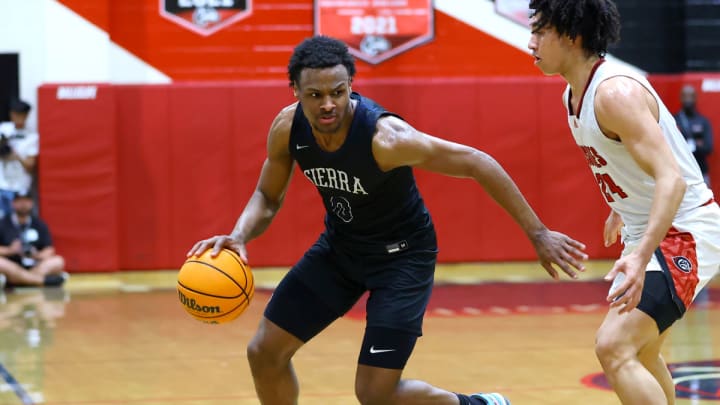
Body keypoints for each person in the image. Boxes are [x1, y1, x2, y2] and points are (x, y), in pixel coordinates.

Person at [188, 35, 588, 405]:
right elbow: (267, 196)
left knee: (375, 394)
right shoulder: (287, 128)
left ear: (350, 86)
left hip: (402, 260)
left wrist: (538, 232)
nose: (328, 104)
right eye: (315, 95)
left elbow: (476, 162)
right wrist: (239, 235)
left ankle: (476, 404)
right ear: (295, 91)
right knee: (264, 352)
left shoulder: (387, 139)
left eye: (338, 92)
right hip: (341, 251)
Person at [527, 1, 720, 404]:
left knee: (614, 346)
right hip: (653, 229)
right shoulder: (573, 95)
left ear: (570, 35)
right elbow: (637, 162)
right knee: (644, 353)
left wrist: (639, 253)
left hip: (684, 230)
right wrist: (623, 203)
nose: (532, 42)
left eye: (540, 32)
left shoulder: (614, 92)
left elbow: (673, 179)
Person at [0, 192, 67, 287]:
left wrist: (36, 255)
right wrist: (10, 250)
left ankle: (19, 280)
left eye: (26, 201)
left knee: (58, 261)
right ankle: (42, 281)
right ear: (13, 203)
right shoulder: (3, 223)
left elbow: (49, 249)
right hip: (12, 264)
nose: (23, 204)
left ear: (31, 203)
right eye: (20, 201)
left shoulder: (39, 224)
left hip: (35, 266)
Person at [0, 99, 39, 217]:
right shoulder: (3, 129)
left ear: (26, 116)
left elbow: (30, 166)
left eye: (20, 115)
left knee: (16, 223)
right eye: (14, 114)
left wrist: (16, 155)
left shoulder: (31, 137)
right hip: (2, 185)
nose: (17, 118)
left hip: (20, 188)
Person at [674, 85, 714, 187]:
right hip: (681, 173)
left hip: (701, 172)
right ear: (680, 98)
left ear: (695, 98)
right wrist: (698, 142)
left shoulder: (703, 121)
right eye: (685, 96)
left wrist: (694, 145)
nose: (688, 99)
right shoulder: (674, 120)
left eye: (690, 96)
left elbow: (708, 147)